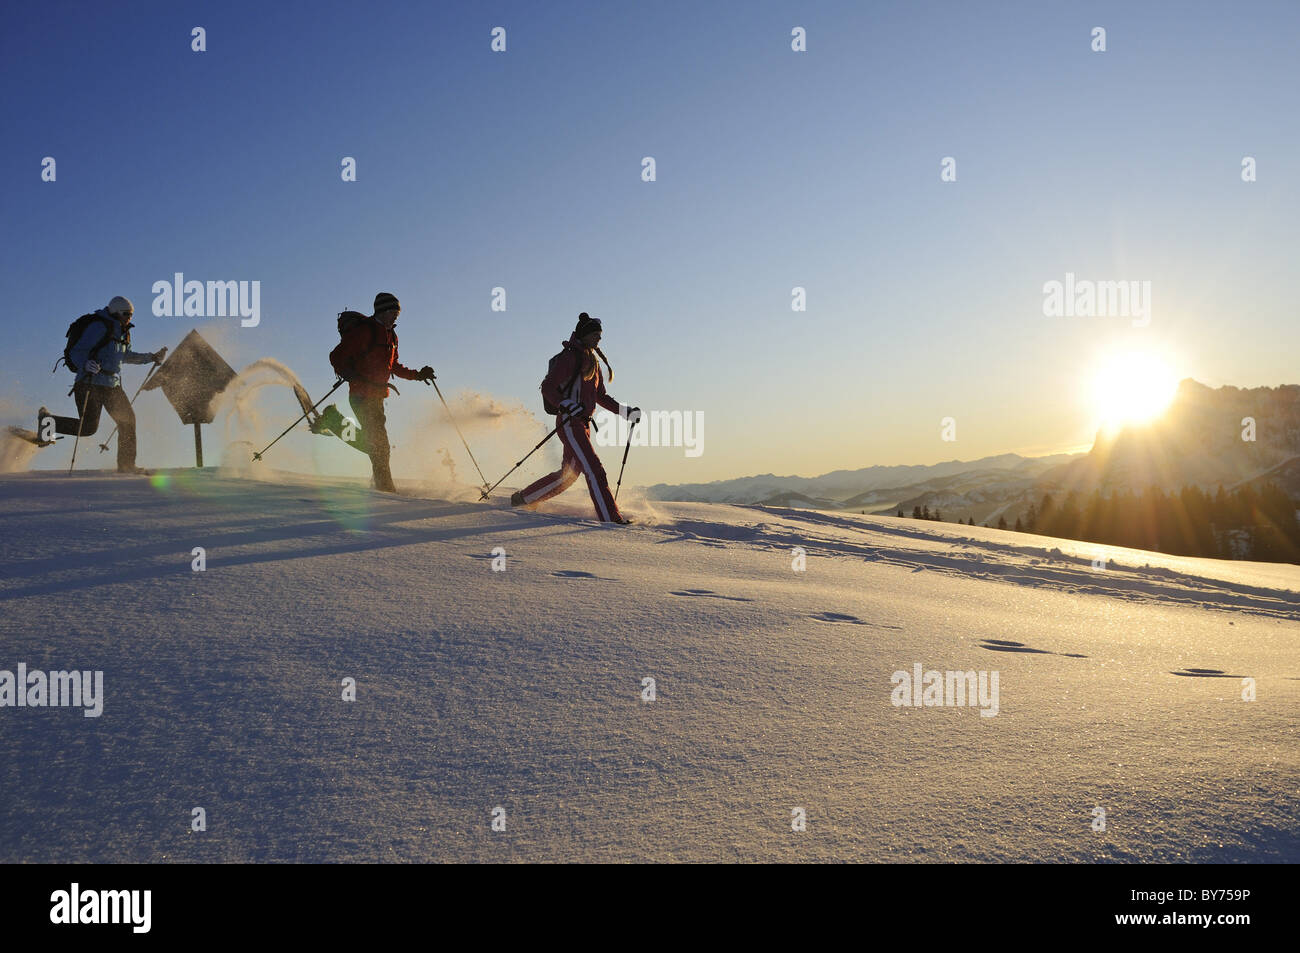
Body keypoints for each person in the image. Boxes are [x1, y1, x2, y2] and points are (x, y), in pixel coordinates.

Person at [513, 312, 639, 523]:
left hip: (583, 425)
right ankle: (610, 519)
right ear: (585, 334)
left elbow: (601, 396)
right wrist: (567, 404)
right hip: (570, 423)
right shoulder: (569, 357)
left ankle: (523, 499)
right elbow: (548, 387)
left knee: (567, 477)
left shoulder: (593, 362)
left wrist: (626, 412)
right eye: (596, 334)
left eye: (600, 335)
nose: (599, 338)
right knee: (594, 469)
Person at [39, 296, 167, 474]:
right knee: (88, 428)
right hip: (89, 383)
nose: (129, 317)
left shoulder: (123, 332)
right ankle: (47, 422)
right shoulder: (99, 326)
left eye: (131, 314)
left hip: (112, 385)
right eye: (125, 313)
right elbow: (77, 352)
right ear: (115, 312)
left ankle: (126, 465)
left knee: (128, 421)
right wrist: (85, 364)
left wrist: (151, 357)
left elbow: (126, 356)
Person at [328, 292, 434, 493]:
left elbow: (393, 366)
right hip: (361, 395)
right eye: (394, 312)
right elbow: (336, 356)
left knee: (375, 446)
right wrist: (348, 373)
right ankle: (386, 489)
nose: (396, 316)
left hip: (377, 397)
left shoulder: (392, 336)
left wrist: (418, 375)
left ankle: (334, 422)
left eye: (398, 313)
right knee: (380, 447)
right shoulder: (365, 331)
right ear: (383, 311)